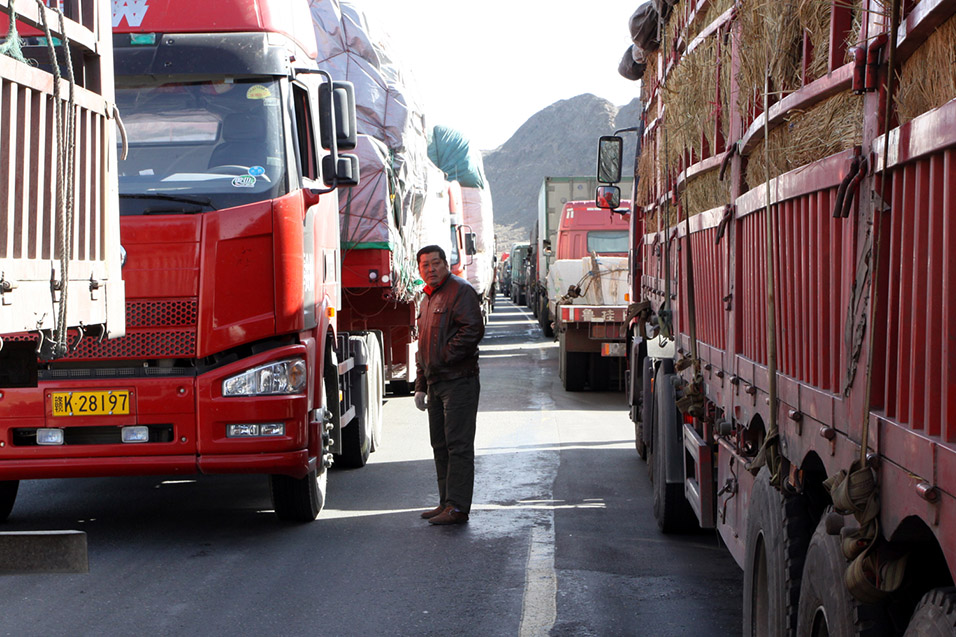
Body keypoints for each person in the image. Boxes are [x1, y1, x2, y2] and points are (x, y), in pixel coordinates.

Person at [414, 245, 484, 525]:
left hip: (459, 381)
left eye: (435, 263)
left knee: (458, 446)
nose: (430, 269)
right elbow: (421, 346)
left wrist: (444, 357)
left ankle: (457, 507)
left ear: (446, 264)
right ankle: (445, 502)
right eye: (425, 265)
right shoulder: (426, 299)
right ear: (419, 270)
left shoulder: (460, 290)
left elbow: (473, 330)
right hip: (435, 383)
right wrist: (420, 384)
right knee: (440, 445)